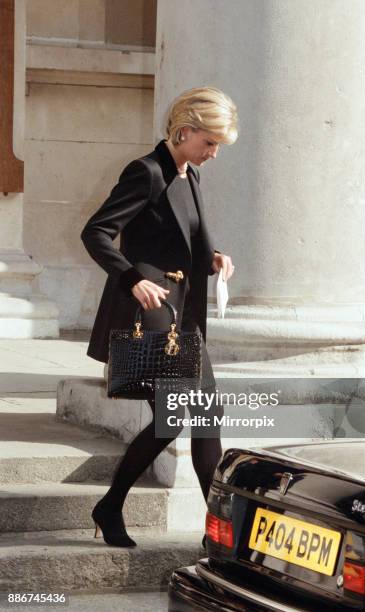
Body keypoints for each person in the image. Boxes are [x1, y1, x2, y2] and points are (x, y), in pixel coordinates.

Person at [80, 86, 238, 547]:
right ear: (184, 131)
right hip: (152, 316)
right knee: (179, 415)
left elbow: (183, 238)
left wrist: (214, 257)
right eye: (209, 142)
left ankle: (213, 530)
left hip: (182, 317)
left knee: (204, 415)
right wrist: (131, 278)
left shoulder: (190, 175)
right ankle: (217, 533)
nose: (213, 153)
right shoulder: (146, 172)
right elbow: (97, 232)